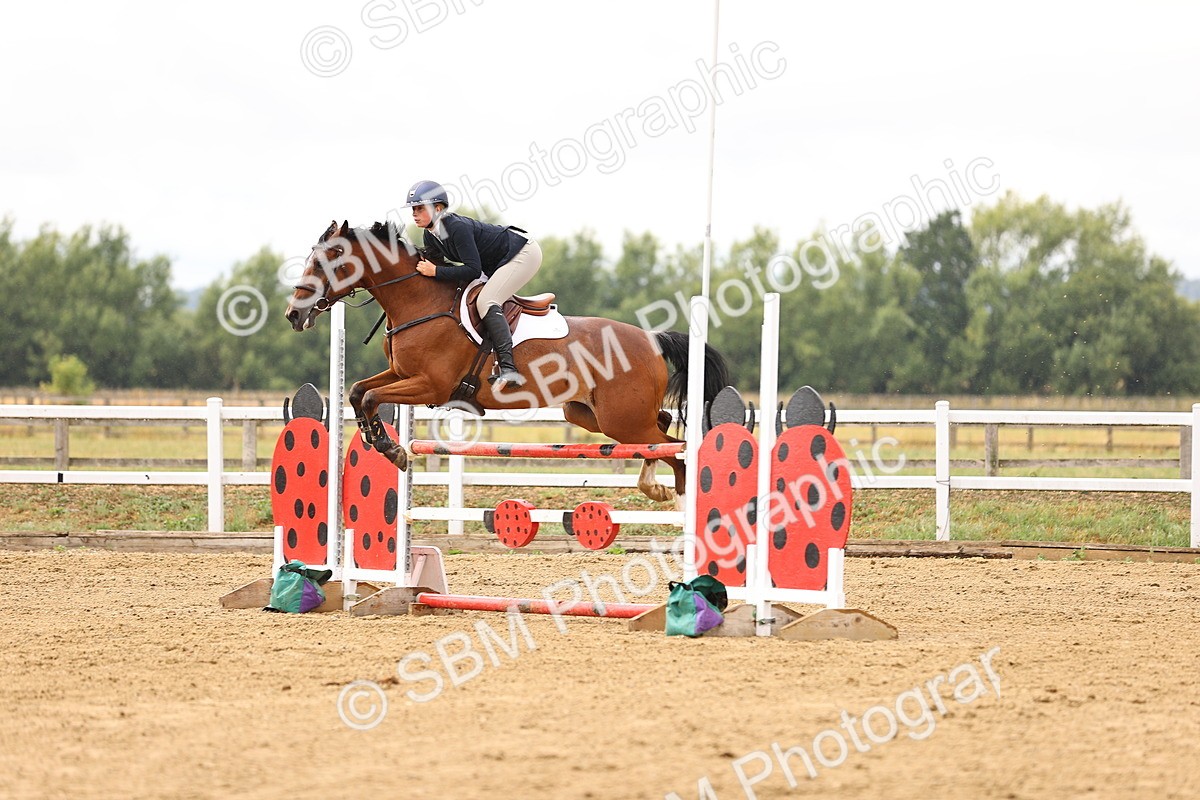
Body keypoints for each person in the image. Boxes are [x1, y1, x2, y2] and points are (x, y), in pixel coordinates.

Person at [403, 180, 542, 388]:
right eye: (413, 209)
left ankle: (509, 369)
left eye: (420, 208)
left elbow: (472, 269)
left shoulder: (456, 227)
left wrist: (436, 271)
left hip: (522, 253)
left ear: (438, 208)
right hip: (496, 262)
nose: (414, 213)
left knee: (486, 300)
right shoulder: (430, 234)